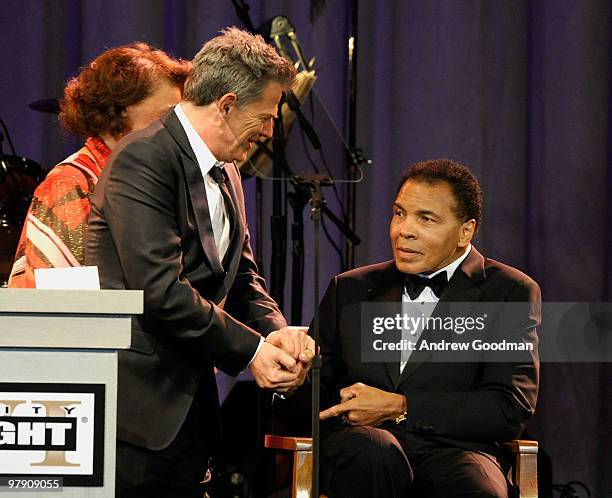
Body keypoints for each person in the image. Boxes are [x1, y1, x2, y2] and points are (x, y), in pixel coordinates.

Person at [85, 28, 315, 497]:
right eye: (266, 117)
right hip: (135, 415)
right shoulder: (144, 159)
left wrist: (277, 332)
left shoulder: (226, 166)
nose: (271, 132)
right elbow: (160, 291)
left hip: (189, 408)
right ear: (227, 105)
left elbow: (242, 274)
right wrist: (254, 352)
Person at [316, 159, 540, 497]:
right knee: (372, 451)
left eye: (425, 218)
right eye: (399, 213)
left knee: (478, 490)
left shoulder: (509, 291)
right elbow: (314, 395)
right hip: (364, 449)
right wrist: (291, 375)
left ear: (466, 231)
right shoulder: (350, 289)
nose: (404, 229)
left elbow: (507, 407)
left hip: (455, 450)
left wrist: (402, 405)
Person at [7, 43, 190, 288]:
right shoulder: (69, 182)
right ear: (123, 109)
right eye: (166, 114)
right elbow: (56, 296)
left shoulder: (152, 177)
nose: (173, 126)